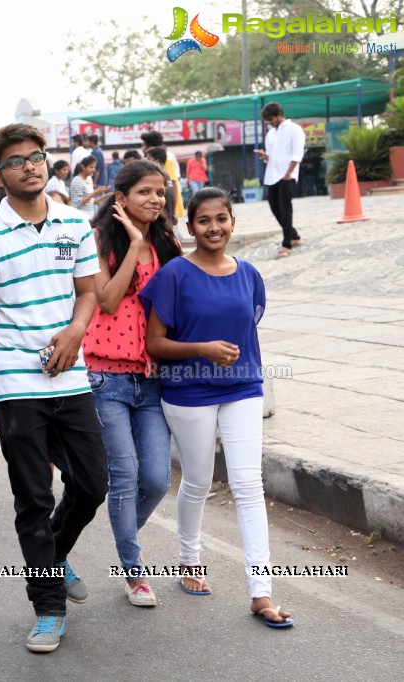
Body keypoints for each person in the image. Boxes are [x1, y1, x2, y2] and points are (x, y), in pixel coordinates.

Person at [0, 123, 107, 654]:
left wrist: (75, 332)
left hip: (72, 376)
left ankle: (51, 554)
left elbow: (88, 293)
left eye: (37, 156)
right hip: (13, 385)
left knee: (93, 483)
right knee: (32, 496)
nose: (31, 165)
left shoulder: (74, 221)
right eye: (17, 160)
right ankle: (47, 605)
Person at [141, 187, 294, 629]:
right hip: (188, 391)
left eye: (221, 219)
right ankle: (189, 560)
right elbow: (154, 343)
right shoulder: (174, 274)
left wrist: (225, 356)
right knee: (199, 480)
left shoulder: (249, 273)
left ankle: (260, 592)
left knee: (248, 485)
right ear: (191, 227)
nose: (214, 227)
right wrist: (202, 349)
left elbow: (248, 325)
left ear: (233, 222)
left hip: (244, 386)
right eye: (204, 220)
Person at [85, 160, 183, 607]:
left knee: (159, 479)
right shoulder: (100, 238)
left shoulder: (167, 241)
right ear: (121, 197)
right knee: (124, 475)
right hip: (107, 375)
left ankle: (123, 536)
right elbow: (105, 300)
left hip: (153, 377)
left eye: (160, 192)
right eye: (145, 192)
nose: (156, 200)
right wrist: (134, 245)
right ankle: (134, 571)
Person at [255, 102, 305, 259]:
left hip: (287, 175)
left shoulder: (295, 130)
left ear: (279, 114)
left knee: (285, 209)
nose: (269, 122)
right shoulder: (270, 134)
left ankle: (287, 243)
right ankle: (294, 235)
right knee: (274, 208)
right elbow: (273, 156)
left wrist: (288, 173)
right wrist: (265, 156)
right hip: (272, 175)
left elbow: (297, 154)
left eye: (271, 118)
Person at [141, 131, 184, 220]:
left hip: (166, 204)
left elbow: (173, 184)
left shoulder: (166, 158)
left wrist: (172, 213)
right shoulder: (157, 157)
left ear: (150, 146)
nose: (142, 148)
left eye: (144, 145)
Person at [70, 156, 107, 220]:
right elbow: (78, 203)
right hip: (80, 218)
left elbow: (90, 202)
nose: (94, 170)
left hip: (90, 216)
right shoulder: (77, 181)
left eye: (94, 167)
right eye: (91, 167)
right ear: (83, 167)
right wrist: (95, 192)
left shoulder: (89, 179)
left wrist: (105, 197)